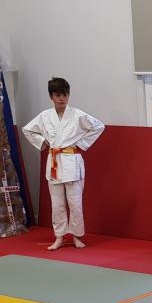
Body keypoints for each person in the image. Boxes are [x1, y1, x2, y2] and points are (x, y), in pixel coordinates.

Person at [23, 77, 104, 251]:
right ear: (51, 97)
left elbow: (98, 126)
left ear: (68, 95)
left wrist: (81, 143)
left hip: (71, 161)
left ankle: (76, 236)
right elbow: (27, 130)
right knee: (57, 203)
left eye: (65, 95)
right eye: (58, 95)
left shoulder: (78, 115)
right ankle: (59, 236)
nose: (62, 99)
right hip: (54, 162)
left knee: (75, 202)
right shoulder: (45, 116)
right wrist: (42, 142)